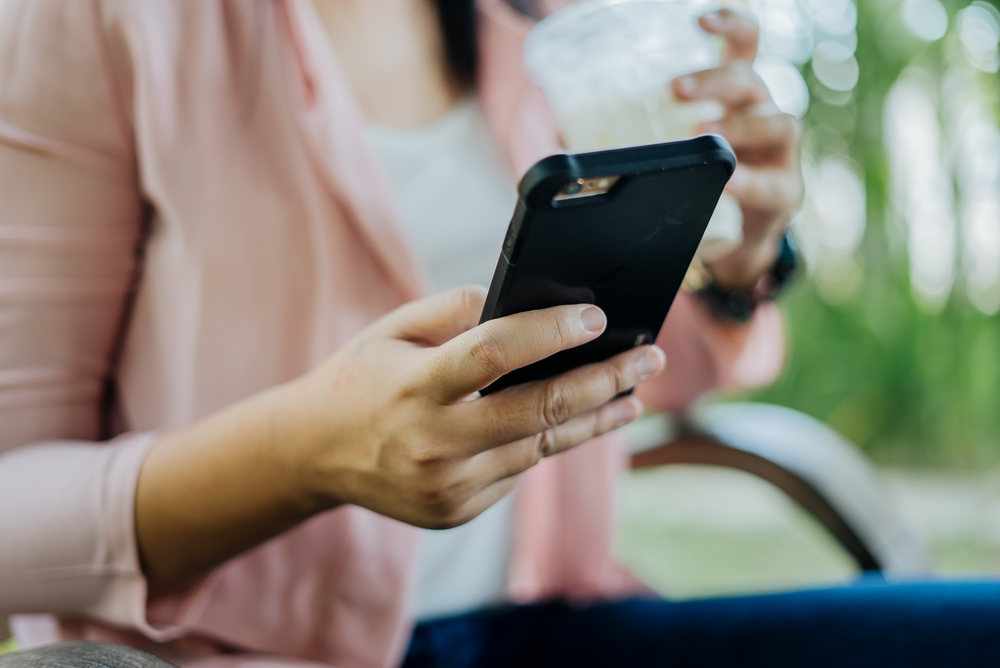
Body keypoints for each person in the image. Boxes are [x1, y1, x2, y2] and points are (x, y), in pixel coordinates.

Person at [2, 1, 998, 668]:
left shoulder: (546, 25)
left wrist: (738, 262)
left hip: (546, 624)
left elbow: (635, 361)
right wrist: (304, 456)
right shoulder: (100, 22)